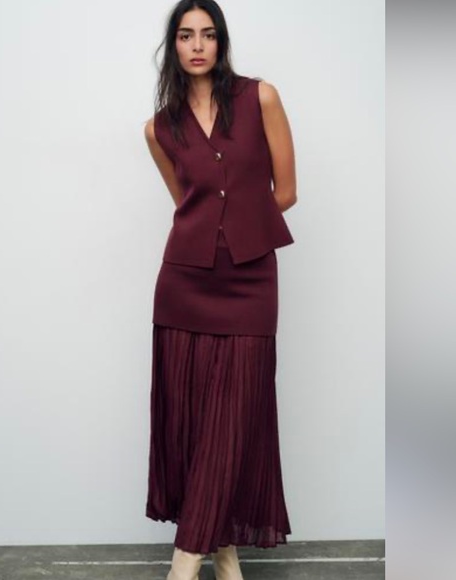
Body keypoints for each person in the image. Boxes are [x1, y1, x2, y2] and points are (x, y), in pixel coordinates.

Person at [144, 1, 297, 578]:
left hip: (251, 280)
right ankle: (225, 553)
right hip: (184, 284)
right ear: (174, 46)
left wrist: (240, 235)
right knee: (191, 424)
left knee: (233, 419)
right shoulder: (159, 129)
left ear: (221, 42)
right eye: (186, 36)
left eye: (207, 34)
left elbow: (286, 190)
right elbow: (186, 204)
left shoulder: (261, 98)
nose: (197, 45)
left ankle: (184, 563)